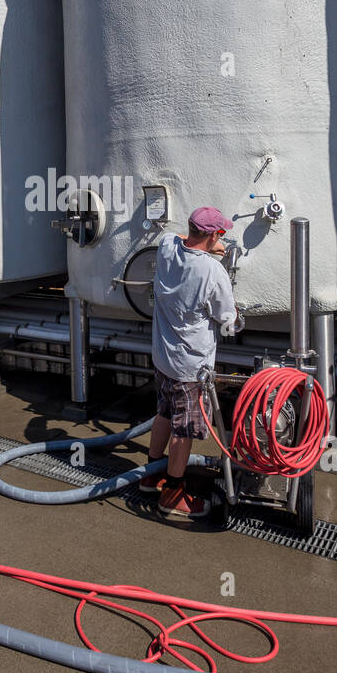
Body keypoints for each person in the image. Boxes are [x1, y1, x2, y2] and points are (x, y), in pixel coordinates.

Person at [140, 206, 237, 520]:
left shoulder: (168, 247)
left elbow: (180, 238)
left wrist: (208, 244)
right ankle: (173, 493)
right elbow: (227, 319)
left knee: (163, 413)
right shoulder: (212, 272)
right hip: (189, 367)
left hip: (163, 357)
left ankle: (151, 474)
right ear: (211, 235)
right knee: (184, 430)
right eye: (219, 233)